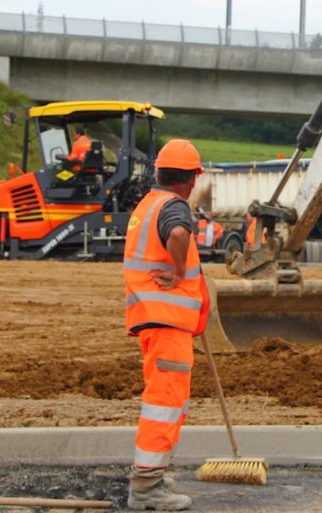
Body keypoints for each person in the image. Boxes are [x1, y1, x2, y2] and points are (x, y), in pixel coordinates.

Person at [123, 139, 210, 511]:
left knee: (166, 400)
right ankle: (146, 488)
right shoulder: (174, 208)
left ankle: (155, 475)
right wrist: (177, 273)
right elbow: (177, 234)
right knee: (165, 403)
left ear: (159, 172)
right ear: (190, 180)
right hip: (167, 322)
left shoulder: (147, 205)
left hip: (153, 320)